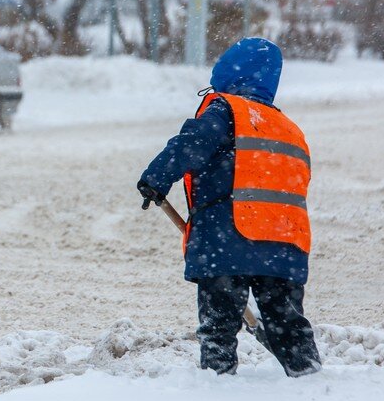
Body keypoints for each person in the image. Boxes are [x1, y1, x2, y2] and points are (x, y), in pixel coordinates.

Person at [137, 37, 321, 377]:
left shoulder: (227, 110)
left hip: (229, 236)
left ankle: (218, 383)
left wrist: (157, 177)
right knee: (286, 321)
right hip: (284, 245)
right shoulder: (290, 128)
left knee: (219, 323)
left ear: (227, 72)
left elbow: (192, 143)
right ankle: (308, 376)